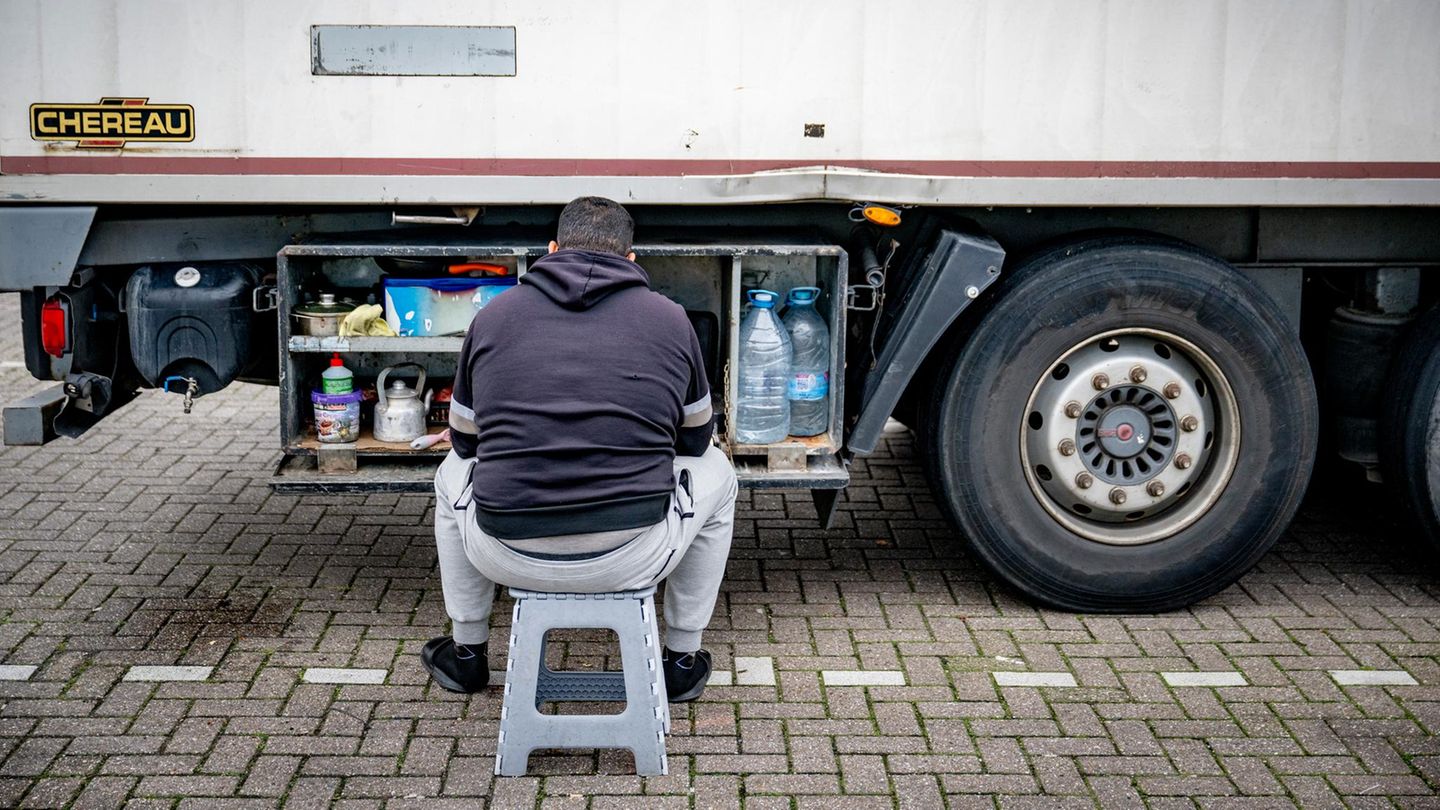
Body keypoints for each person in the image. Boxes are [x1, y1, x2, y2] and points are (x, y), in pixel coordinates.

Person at [424, 196, 737, 702]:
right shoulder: (671, 319)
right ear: (632, 259)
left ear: (550, 250)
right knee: (719, 472)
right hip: (633, 553)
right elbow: (697, 438)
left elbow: (463, 439)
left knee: (449, 473)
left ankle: (466, 654)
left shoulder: (495, 315)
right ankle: (682, 658)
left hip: (504, 551)